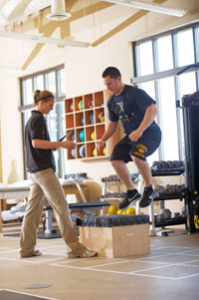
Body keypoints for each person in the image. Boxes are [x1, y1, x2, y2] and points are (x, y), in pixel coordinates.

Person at [20, 89, 96, 258]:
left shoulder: (32, 120)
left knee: (32, 211)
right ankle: (74, 248)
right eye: (50, 104)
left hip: (34, 171)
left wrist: (53, 146)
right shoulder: (38, 119)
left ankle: (26, 250)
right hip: (43, 171)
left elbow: (38, 144)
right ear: (41, 102)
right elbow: (36, 143)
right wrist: (60, 145)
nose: (52, 108)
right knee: (61, 206)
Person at [98, 67, 161, 209]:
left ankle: (149, 188)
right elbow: (112, 125)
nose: (108, 87)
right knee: (115, 159)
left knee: (137, 155)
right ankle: (131, 191)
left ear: (118, 79)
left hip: (150, 134)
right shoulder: (112, 102)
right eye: (106, 85)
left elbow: (153, 109)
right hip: (131, 136)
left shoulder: (135, 93)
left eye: (110, 84)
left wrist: (140, 129)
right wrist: (103, 139)